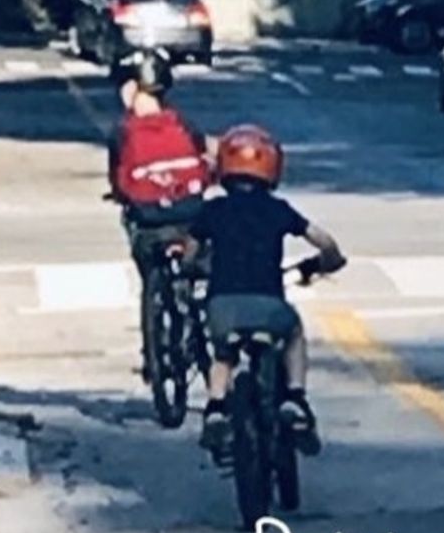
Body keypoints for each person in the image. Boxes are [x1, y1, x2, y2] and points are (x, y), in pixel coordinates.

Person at [188, 125, 345, 457]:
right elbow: (325, 242)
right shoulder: (279, 209)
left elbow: (191, 253)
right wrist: (323, 263)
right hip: (270, 306)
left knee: (224, 353)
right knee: (294, 333)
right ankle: (296, 398)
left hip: (223, 307)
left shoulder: (213, 210)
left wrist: (194, 265)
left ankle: (216, 406)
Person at [107, 50, 213, 377]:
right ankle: (195, 321)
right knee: (197, 274)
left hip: (150, 222)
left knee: (148, 267)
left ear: (132, 89)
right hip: (190, 215)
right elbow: (206, 160)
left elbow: (118, 180)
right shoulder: (184, 123)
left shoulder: (123, 130)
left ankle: (153, 350)